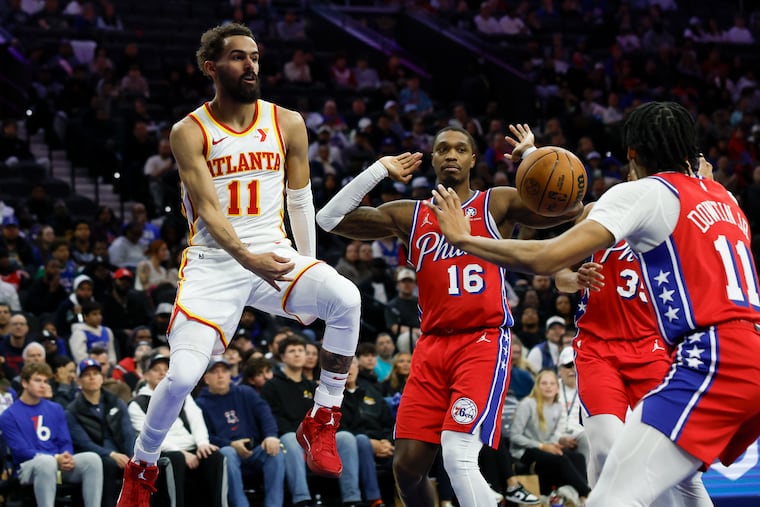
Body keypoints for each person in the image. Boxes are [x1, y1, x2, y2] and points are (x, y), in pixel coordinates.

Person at [427, 104, 760, 506]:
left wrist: (465, 239)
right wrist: (534, 157)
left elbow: (547, 255)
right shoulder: (722, 196)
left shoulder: (645, 194)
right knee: (651, 475)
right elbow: (565, 232)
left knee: (612, 496)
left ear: (632, 154)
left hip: (709, 356)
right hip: (742, 351)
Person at [117, 23, 367, 506]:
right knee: (184, 375)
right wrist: (248, 258)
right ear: (212, 67)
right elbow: (208, 209)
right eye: (237, 57)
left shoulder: (288, 121)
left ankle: (322, 419)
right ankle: (142, 466)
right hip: (214, 261)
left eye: (254, 56)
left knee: (346, 297)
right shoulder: (188, 131)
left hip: (272, 251)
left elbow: (300, 199)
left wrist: (307, 269)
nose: (250, 65)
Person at [315, 125, 580, 506]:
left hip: (483, 340)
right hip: (432, 346)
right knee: (406, 468)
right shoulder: (411, 214)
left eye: (460, 149)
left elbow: (568, 205)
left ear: (474, 159)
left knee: (457, 453)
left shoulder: (497, 203)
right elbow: (329, 219)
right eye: (442, 149)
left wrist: (530, 160)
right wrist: (378, 170)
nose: (451, 154)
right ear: (434, 159)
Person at [553, 202, 709, 503]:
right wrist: (575, 280)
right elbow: (560, 270)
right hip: (597, 346)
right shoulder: (599, 210)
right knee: (606, 449)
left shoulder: (675, 215)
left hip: (651, 348)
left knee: (680, 470)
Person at [0, 362, 103, 507]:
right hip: (27, 467)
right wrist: (55, 458)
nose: (43, 385)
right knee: (46, 463)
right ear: (24, 383)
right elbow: (20, 452)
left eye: (45, 381)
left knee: (92, 460)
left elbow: (65, 441)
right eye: (37, 380)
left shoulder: (56, 408)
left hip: (58, 463)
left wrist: (66, 456)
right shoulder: (8, 415)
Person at [130, 353, 227, 507]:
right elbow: (148, 438)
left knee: (215, 456)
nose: (162, 372)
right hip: (163, 452)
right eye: (156, 369)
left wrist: (202, 443)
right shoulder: (137, 403)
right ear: (145, 375)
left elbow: (196, 418)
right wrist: (181, 452)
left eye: (165, 369)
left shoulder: (182, 394)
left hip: (190, 447)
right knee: (175, 458)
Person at [509, 369, 591, 503]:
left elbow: (551, 434)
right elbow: (515, 437)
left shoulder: (557, 406)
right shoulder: (527, 404)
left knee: (578, 457)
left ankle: (579, 498)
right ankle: (587, 493)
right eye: (544, 383)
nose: (548, 386)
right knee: (561, 460)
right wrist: (542, 446)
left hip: (544, 447)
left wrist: (555, 442)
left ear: (557, 388)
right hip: (523, 451)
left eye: (552, 384)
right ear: (538, 386)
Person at [66, 358, 137, 507]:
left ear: (102, 378)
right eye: (86, 374)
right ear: (79, 381)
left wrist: (133, 457)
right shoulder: (72, 411)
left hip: (123, 454)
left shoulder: (116, 402)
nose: (92, 377)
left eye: (96, 373)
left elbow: (128, 433)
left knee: (147, 464)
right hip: (99, 457)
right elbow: (84, 443)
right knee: (107, 464)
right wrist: (110, 454)